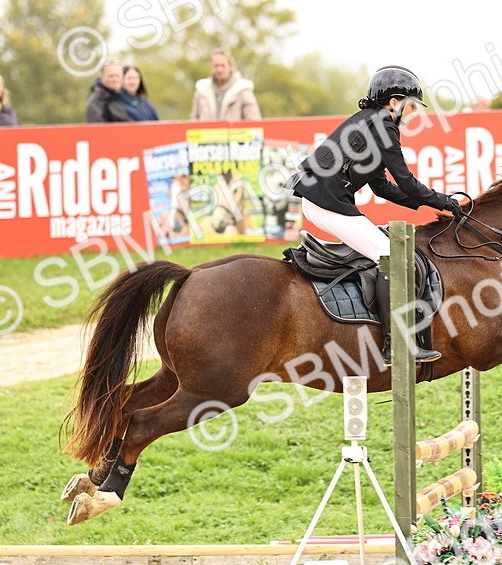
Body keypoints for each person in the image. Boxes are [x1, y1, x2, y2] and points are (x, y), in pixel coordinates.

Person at [288, 65, 463, 366]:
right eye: (410, 106)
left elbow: (381, 186)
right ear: (394, 102)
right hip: (326, 202)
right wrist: (443, 200)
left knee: (387, 254)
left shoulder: (371, 122)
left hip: (320, 200)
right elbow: (406, 181)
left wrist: (424, 203)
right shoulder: (384, 125)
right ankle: (396, 344)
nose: (413, 113)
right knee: (394, 259)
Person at [190, 50, 261, 121]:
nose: (219, 70)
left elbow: (254, 121)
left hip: (234, 132)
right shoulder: (202, 90)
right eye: (216, 66)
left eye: (222, 65)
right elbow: (194, 120)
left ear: (230, 66)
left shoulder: (243, 90)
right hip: (206, 131)